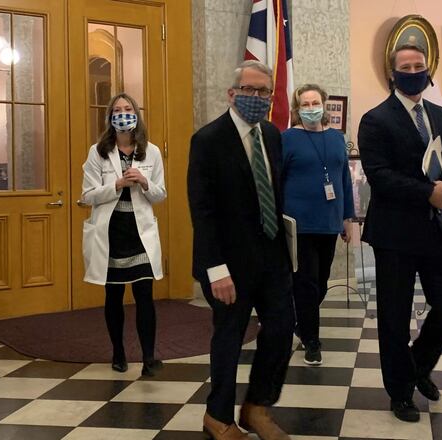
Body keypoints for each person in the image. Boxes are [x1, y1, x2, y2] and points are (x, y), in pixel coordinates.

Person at [358, 44, 442, 423]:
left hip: (435, 229)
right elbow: (380, 176)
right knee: (394, 316)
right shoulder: (375, 120)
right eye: (405, 66)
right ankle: (400, 392)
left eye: (419, 65)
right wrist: (427, 192)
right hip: (394, 234)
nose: (413, 71)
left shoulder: (439, 114)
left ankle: (418, 365)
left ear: (428, 69)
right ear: (393, 73)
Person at [188, 60, 294, 440]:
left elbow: (274, 195)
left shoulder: (273, 134)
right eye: (249, 90)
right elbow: (202, 209)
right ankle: (218, 416)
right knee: (229, 339)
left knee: (282, 329)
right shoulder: (208, 140)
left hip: (271, 257)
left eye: (264, 91)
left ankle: (257, 407)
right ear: (232, 94)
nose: (257, 98)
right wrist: (215, 268)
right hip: (228, 265)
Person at [81, 93, 166, 377]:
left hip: (139, 232)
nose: (123, 113)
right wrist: (116, 184)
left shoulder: (150, 151)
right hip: (111, 232)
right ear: (110, 118)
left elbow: (160, 194)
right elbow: (87, 195)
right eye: (117, 110)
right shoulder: (98, 152)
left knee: (144, 294)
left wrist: (143, 182)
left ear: (136, 114)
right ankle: (118, 352)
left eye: (128, 109)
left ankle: (149, 357)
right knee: (113, 295)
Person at [281, 84, 354, 366]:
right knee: (307, 282)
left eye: (315, 102)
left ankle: (301, 323)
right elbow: (277, 179)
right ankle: (312, 341)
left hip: (329, 221)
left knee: (321, 282)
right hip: (298, 223)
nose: (311, 108)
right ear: (297, 109)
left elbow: (344, 181)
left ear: (324, 104)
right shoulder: (287, 138)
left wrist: (347, 219)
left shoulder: (336, 138)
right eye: (305, 104)